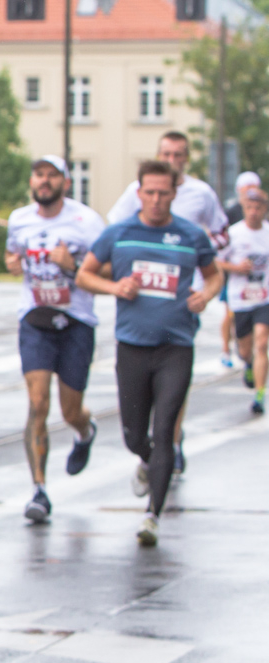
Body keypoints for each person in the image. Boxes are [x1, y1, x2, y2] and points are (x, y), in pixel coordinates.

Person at [77, 160, 221, 547]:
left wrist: (205, 296)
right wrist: (116, 288)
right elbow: (84, 274)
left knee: (165, 429)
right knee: (134, 434)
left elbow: (214, 275)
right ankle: (145, 460)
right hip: (133, 347)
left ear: (174, 194)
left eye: (163, 193)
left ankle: (152, 515)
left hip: (176, 346)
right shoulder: (120, 233)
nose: (156, 200)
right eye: (150, 192)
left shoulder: (191, 235)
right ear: (139, 193)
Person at [106, 132, 227, 475]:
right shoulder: (139, 191)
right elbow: (115, 230)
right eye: (166, 154)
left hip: (183, 299)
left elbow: (221, 233)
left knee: (174, 377)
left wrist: (196, 251)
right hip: (142, 299)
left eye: (178, 155)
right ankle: (154, 446)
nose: (172, 160)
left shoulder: (201, 193)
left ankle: (170, 440)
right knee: (140, 389)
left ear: (186, 159)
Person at [3, 155, 104, 525]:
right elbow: (13, 252)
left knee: (70, 410)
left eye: (51, 175)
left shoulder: (86, 221)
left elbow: (108, 268)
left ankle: (84, 431)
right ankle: (39, 490)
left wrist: (72, 266)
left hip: (76, 320)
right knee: (37, 402)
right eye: (38, 174)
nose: (44, 181)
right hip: (35, 318)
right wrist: (12, 263)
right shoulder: (20, 219)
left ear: (65, 182)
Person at [215, 186, 269, 415]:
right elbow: (216, 261)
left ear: (264, 210)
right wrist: (236, 268)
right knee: (246, 350)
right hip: (240, 298)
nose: (254, 212)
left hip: (264, 297)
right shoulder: (234, 233)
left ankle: (260, 394)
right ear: (244, 209)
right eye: (249, 208)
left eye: (258, 208)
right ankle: (248, 363)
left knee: (262, 342)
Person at [219, 171, 259, 369]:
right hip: (235, 273)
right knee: (230, 313)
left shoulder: (262, 209)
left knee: (260, 326)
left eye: (253, 186)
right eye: (246, 186)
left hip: (259, 277)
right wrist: (234, 266)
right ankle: (226, 349)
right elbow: (219, 253)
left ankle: (254, 352)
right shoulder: (231, 213)